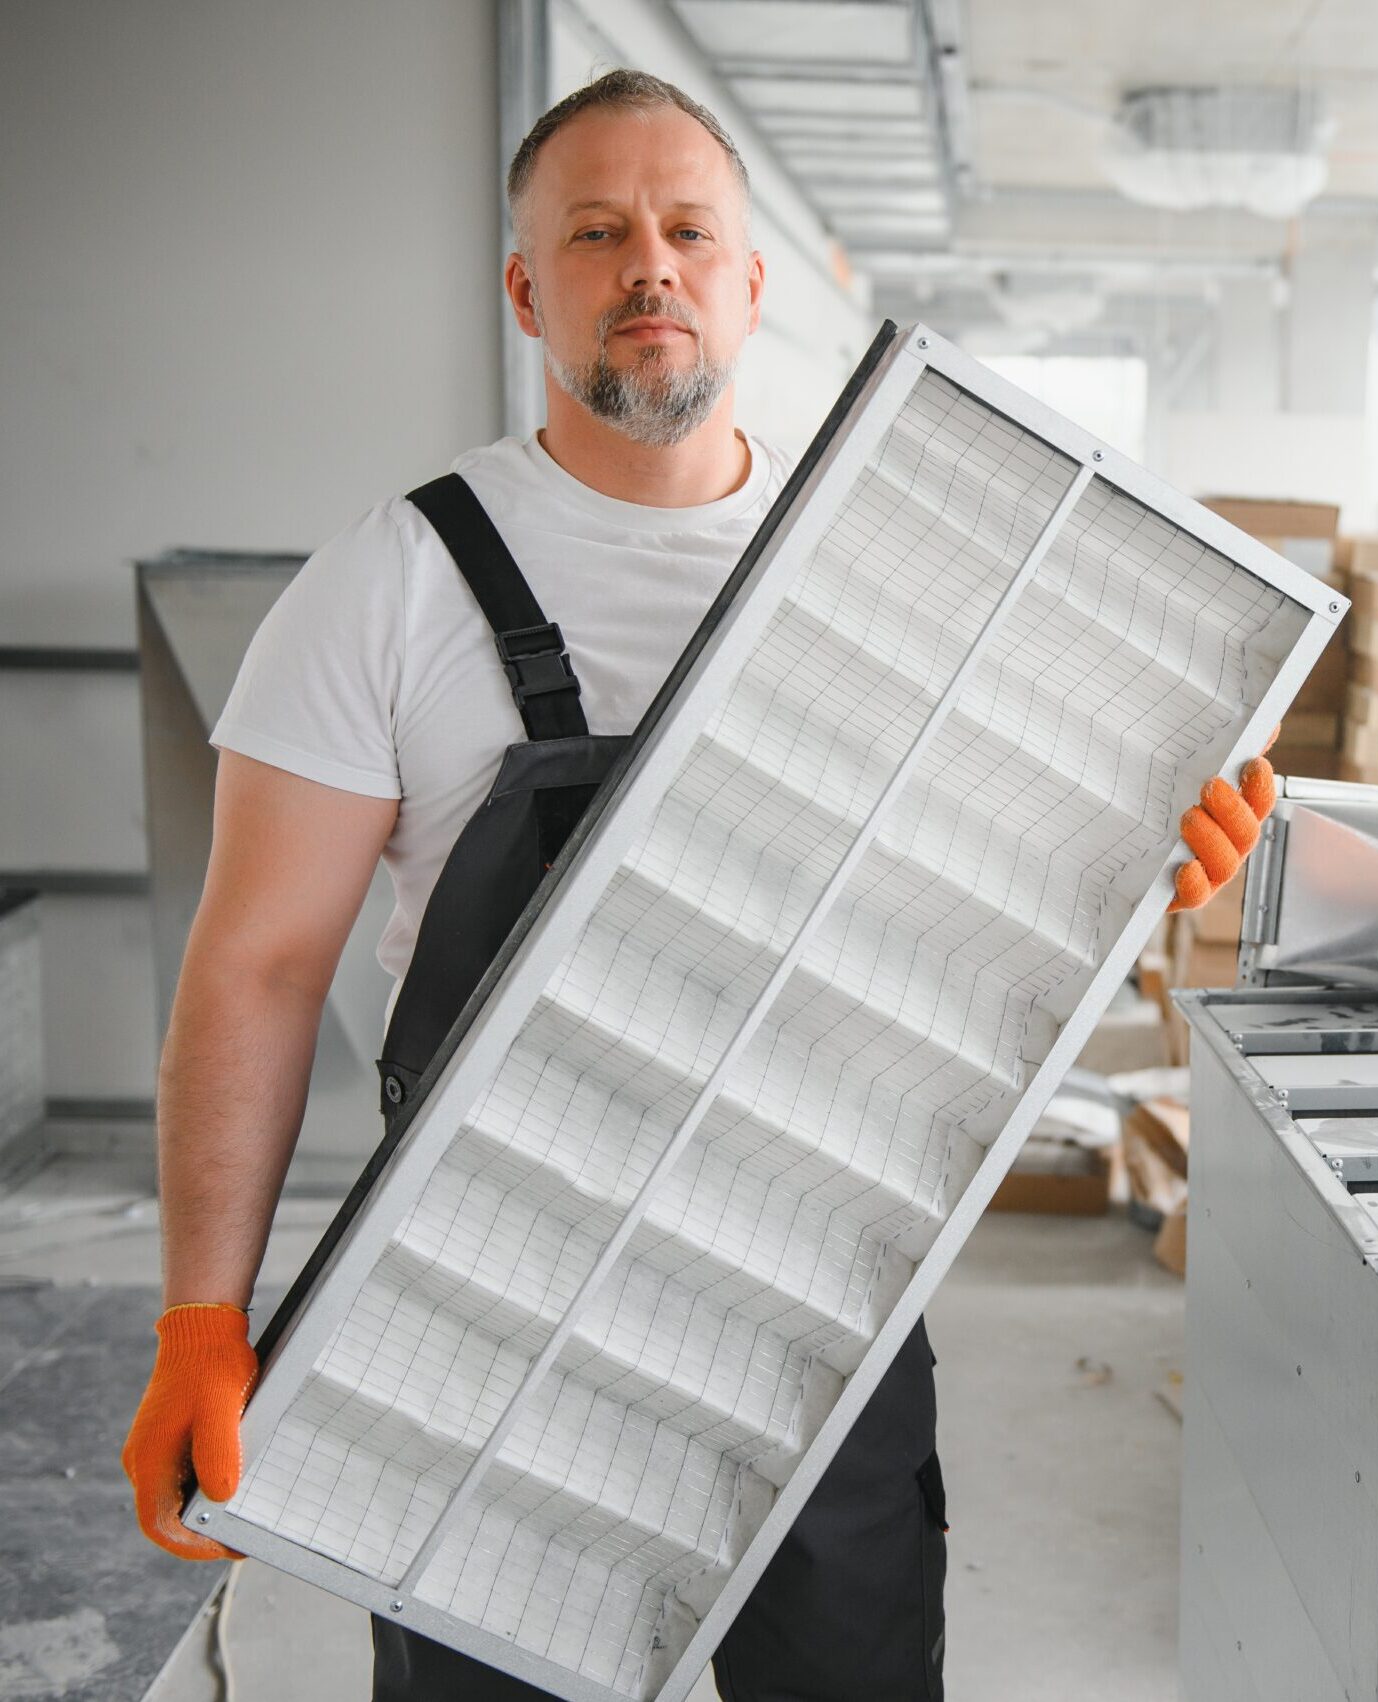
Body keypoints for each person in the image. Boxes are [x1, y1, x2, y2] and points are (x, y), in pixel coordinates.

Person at [118, 69, 1274, 1702]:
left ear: (747, 283)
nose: (645, 264)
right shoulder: (387, 586)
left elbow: (959, 918)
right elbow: (252, 971)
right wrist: (198, 1323)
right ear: (530, 289)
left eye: (686, 230)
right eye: (595, 233)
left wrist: (1136, 880)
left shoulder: (896, 569)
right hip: (479, 1321)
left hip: (819, 1294)